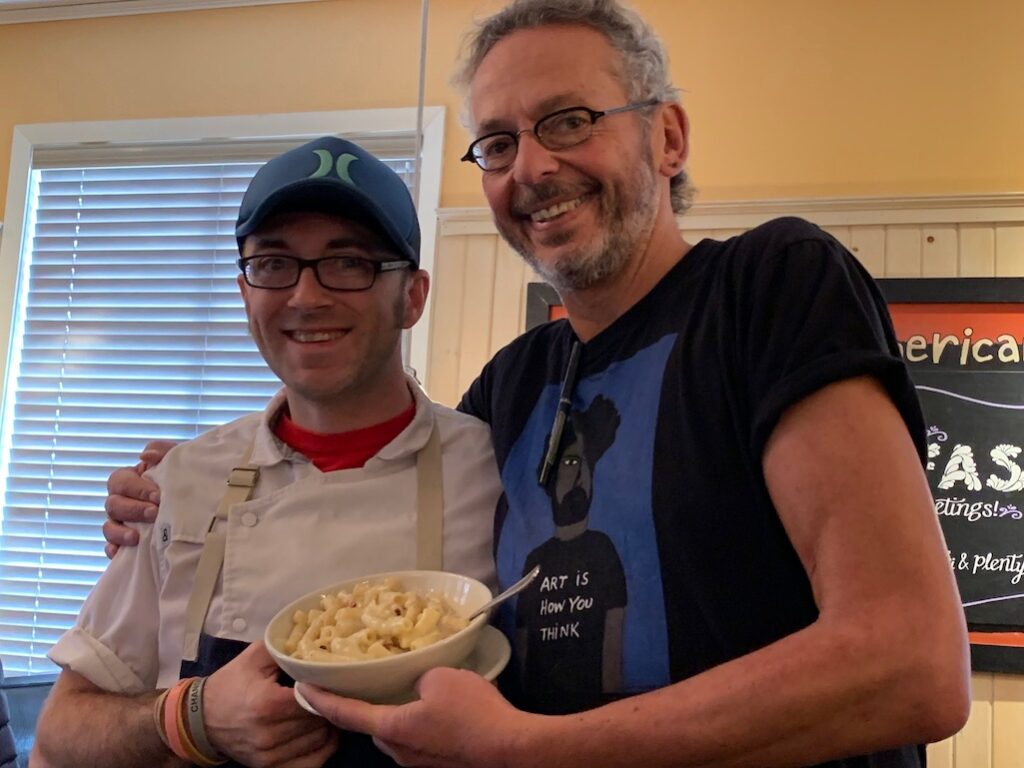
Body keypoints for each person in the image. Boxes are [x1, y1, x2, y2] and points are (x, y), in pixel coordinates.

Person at [104, 1, 972, 766]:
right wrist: (188, 487)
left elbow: (911, 664)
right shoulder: (513, 388)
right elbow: (372, 476)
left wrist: (531, 752)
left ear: (666, 136)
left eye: (568, 120)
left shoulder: (769, 287)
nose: (530, 167)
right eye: (498, 143)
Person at [33, 136, 500, 768]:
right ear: (245, 291)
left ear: (412, 296)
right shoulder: (184, 482)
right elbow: (61, 733)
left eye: (349, 262)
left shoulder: (495, 467)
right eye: (275, 264)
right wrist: (190, 717)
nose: (306, 297)